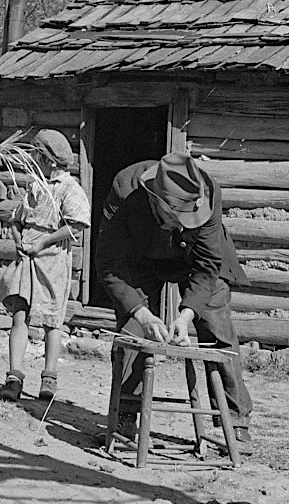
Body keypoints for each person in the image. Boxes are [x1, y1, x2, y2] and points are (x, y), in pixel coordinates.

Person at [95, 152, 254, 454]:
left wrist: (186, 315)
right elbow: (109, 262)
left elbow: (208, 264)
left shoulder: (209, 191)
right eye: (177, 217)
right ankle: (126, 418)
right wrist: (142, 315)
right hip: (138, 261)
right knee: (133, 332)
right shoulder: (124, 188)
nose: (184, 223)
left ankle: (235, 424)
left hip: (194, 261)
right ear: (156, 201)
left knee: (217, 327)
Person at [0, 129, 91, 402]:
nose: (33, 160)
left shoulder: (69, 188)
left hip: (52, 260)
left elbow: (77, 223)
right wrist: (18, 238)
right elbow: (17, 219)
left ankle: (49, 378)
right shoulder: (35, 186)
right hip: (26, 258)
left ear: (48, 159)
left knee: (52, 320)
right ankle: (14, 377)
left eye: (37, 155)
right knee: (19, 314)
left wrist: (45, 241)